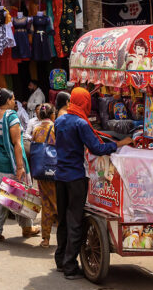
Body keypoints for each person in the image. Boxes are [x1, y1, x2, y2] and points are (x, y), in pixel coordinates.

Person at [54, 87, 132, 279]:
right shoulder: (81, 123)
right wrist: (120, 144)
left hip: (60, 176)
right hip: (75, 178)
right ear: (85, 102)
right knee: (74, 221)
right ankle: (70, 266)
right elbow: (97, 148)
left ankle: (61, 260)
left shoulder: (60, 120)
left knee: (63, 219)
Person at [0, 88, 41, 240]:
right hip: (8, 162)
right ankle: (26, 227)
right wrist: (20, 167)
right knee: (18, 194)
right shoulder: (12, 116)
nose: (14, 102)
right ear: (7, 100)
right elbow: (17, 143)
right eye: (13, 99)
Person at [32, 103, 58, 248]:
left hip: (41, 171)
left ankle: (46, 239)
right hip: (54, 169)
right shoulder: (55, 128)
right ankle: (63, 238)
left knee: (46, 203)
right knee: (58, 202)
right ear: (52, 114)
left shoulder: (36, 129)